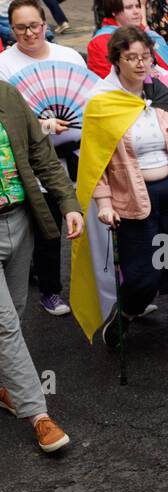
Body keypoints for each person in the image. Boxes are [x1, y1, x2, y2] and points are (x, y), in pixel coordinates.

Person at [83, 25, 168, 360]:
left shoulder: (160, 92)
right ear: (116, 61)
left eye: (146, 56)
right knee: (143, 276)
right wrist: (104, 204)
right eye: (131, 57)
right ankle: (124, 314)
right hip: (132, 200)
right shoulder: (102, 102)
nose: (141, 63)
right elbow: (98, 162)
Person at [0, 74, 82, 452]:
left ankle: (5, 386)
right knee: (4, 326)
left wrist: (68, 203)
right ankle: (38, 415)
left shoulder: (7, 95)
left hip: (20, 220)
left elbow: (42, 157)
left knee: (13, 315)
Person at [0, 0, 85, 318]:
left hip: (76, 152)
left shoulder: (70, 56)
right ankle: (50, 290)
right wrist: (42, 125)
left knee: (82, 222)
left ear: (45, 25)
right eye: (20, 28)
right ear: (12, 30)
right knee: (48, 227)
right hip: (34, 161)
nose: (29, 33)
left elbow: (86, 96)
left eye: (34, 26)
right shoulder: (4, 65)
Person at [86, 0, 168, 78]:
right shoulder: (102, 41)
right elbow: (108, 79)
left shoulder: (149, 34)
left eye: (137, 6)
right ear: (114, 12)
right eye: (129, 7)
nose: (136, 11)